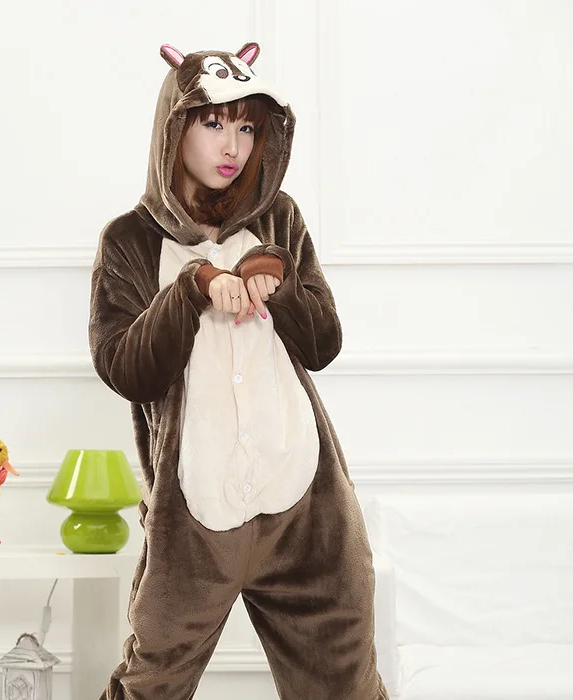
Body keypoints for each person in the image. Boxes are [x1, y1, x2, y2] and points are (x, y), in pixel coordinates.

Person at [89, 41, 390, 700]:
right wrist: (191, 289)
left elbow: (323, 344)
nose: (233, 145)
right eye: (213, 122)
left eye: (248, 127)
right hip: (195, 515)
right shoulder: (130, 241)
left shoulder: (280, 218)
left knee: (344, 681)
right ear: (175, 125)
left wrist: (277, 281)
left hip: (306, 505)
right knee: (152, 681)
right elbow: (127, 371)